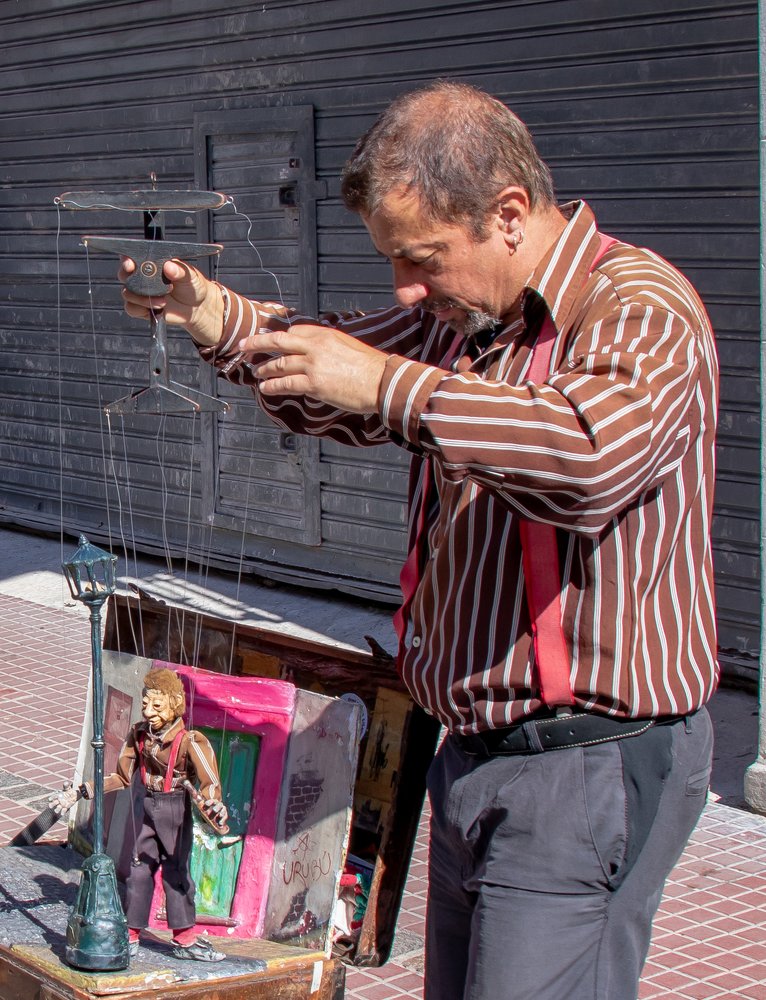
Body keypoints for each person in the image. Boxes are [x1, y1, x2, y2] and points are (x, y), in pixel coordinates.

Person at [120, 80, 718, 1000]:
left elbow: (588, 456)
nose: (406, 286)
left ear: (508, 215)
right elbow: (329, 363)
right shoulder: (467, 318)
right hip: (475, 755)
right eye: (394, 259)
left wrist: (387, 386)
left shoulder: (639, 305)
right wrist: (204, 311)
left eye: (423, 258)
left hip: (584, 763)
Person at [55, 668, 228, 963]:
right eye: (146, 703)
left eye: (157, 706)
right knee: (138, 870)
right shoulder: (139, 735)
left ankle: (185, 938)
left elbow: (209, 781)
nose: (148, 712)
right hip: (147, 806)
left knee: (176, 872)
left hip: (175, 808)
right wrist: (83, 790)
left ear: (174, 704)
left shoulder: (190, 740)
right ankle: (131, 933)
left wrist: (214, 803)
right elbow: (121, 777)